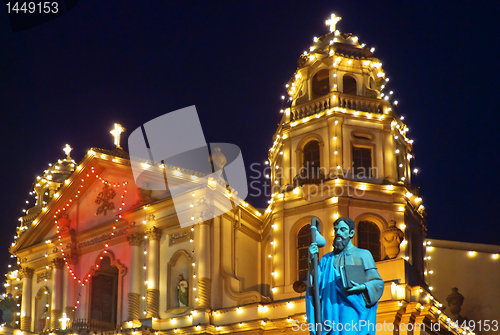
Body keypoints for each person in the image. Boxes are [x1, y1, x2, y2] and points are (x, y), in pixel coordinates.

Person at [306, 217, 384, 335]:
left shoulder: (362, 254)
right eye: (336, 230)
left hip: (352, 306)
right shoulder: (326, 259)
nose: (338, 233)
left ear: (351, 233)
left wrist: (361, 287)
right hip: (330, 307)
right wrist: (311, 261)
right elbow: (315, 284)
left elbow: (377, 282)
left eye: (343, 229)